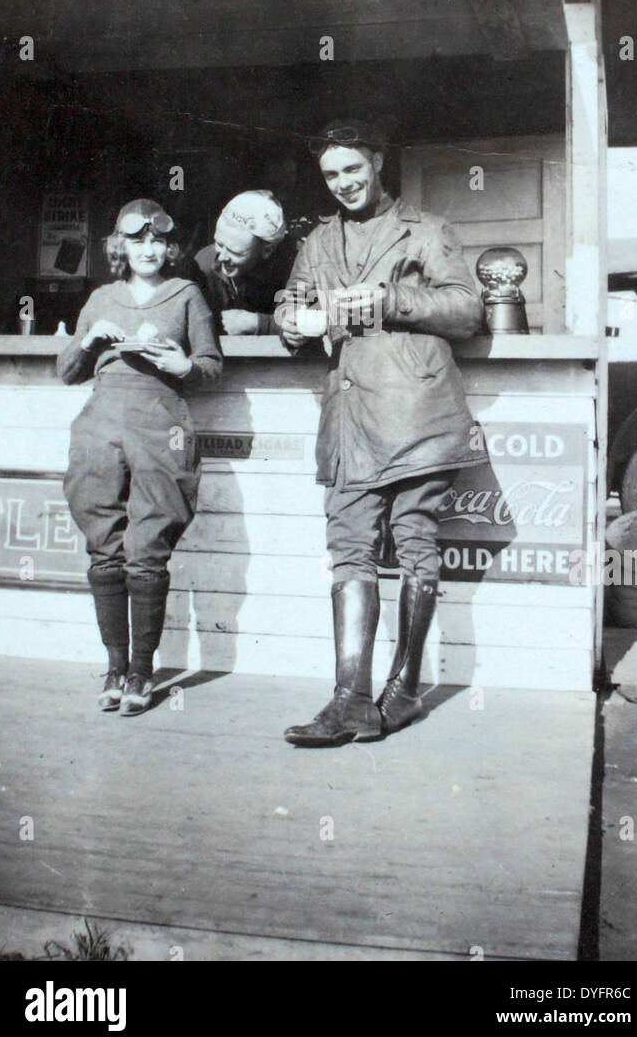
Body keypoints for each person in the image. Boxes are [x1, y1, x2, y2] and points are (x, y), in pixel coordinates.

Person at [275, 121, 487, 746]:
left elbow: (468, 310)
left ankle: (404, 689)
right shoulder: (317, 240)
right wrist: (290, 319)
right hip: (347, 418)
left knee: (415, 540)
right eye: (331, 175)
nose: (343, 184)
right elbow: (293, 296)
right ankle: (349, 700)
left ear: (376, 160)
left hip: (416, 409)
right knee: (349, 549)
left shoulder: (428, 230)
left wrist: (391, 298)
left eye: (353, 169)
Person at [58, 199, 222, 716]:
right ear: (120, 247)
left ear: (170, 248)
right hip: (100, 427)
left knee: (148, 546)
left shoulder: (186, 294)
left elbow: (213, 367)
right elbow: (66, 373)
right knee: (104, 545)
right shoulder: (102, 297)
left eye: (157, 242)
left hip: (161, 425)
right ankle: (113, 665)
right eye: (137, 241)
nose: (148, 250)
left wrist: (184, 364)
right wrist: (88, 341)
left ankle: (141, 673)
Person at [194, 190, 294, 335]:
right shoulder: (203, 263)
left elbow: (318, 324)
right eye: (219, 244)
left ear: (268, 250)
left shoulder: (295, 264)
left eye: (235, 252)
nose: (222, 257)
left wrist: (258, 323)